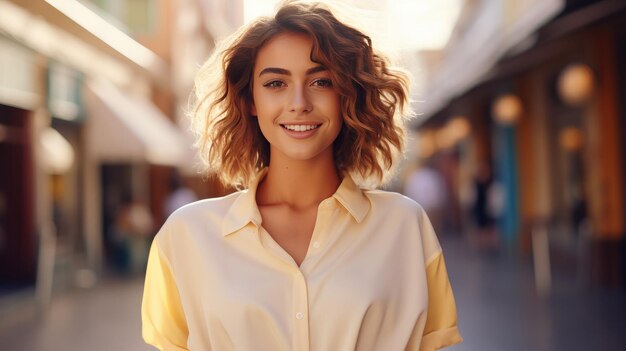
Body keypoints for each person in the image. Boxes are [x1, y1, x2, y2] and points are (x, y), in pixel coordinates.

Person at [142, 2, 462, 350]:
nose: (299, 102)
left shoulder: (404, 225)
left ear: (346, 94)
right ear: (251, 100)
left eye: (321, 81)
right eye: (276, 83)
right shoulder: (186, 236)